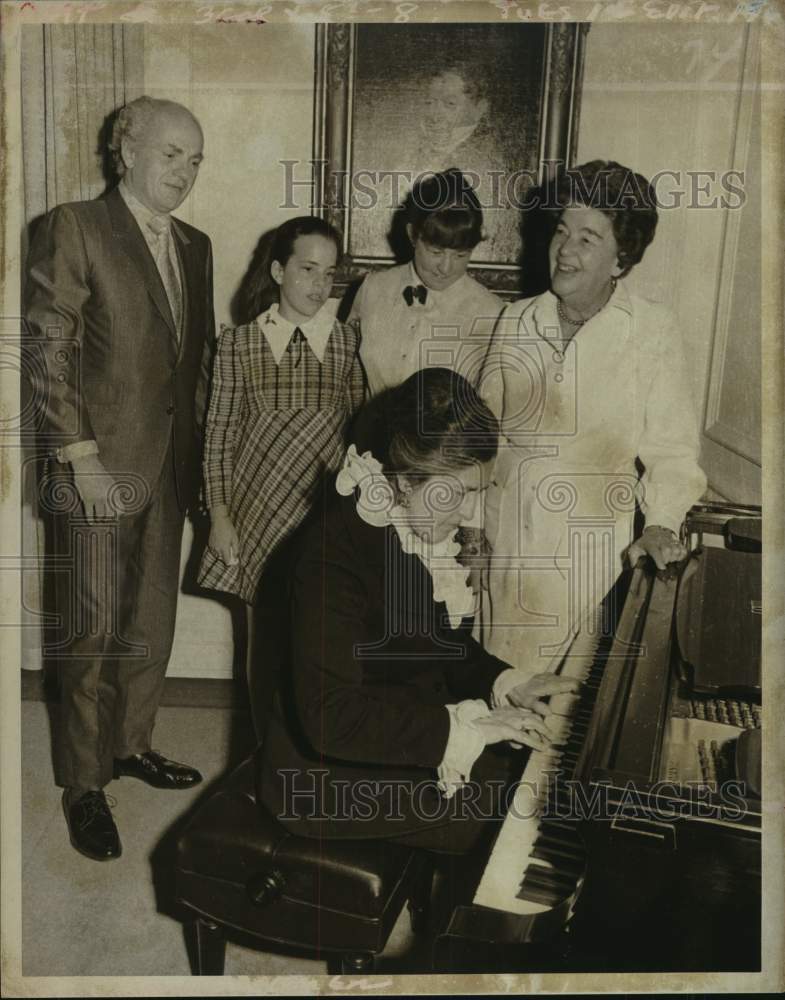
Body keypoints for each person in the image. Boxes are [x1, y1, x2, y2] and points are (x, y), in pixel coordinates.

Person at [258, 368, 576, 854]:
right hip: (322, 781)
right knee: (534, 816)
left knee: (541, 776)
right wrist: (468, 727)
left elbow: (435, 642)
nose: (470, 516)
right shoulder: (331, 558)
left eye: (478, 492)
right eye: (460, 492)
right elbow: (330, 719)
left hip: (389, 734)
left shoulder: (398, 524)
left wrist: (508, 684)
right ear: (406, 480)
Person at [25, 96, 214, 861]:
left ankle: (131, 745)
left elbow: (189, 366)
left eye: (195, 159)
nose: (185, 172)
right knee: (90, 626)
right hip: (96, 467)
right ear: (123, 150)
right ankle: (82, 784)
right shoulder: (74, 225)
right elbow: (46, 347)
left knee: (149, 620)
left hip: (167, 469)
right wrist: (80, 455)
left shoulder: (196, 245)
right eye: (172, 153)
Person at [479, 160, 707, 673]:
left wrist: (661, 523)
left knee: (565, 711)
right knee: (495, 688)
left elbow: (673, 452)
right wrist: (472, 534)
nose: (564, 249)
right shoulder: (515, 320)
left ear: (621, 261)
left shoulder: (651, 330)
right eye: (561, 230)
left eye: (586, 238)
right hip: (508, 545)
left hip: (589, 559)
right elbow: (481, 439)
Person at [198, 216, 365, 734]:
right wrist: (220, 518)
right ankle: (257, 753)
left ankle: (310, 748)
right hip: (257, 514)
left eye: (329, 273)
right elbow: (219, 436)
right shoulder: (240, 345)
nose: (319, 285)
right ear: (277, 270)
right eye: (307, 269)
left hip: (323, 516)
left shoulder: (344, 342)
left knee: (316, 640)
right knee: (263, 643)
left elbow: (358, 436)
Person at [348, 168, 503, 401]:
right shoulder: (373, 289)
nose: (446, 267)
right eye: (435, 251)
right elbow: (347, 377)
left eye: (461, 255)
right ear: (412, 235)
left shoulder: (493, 313)